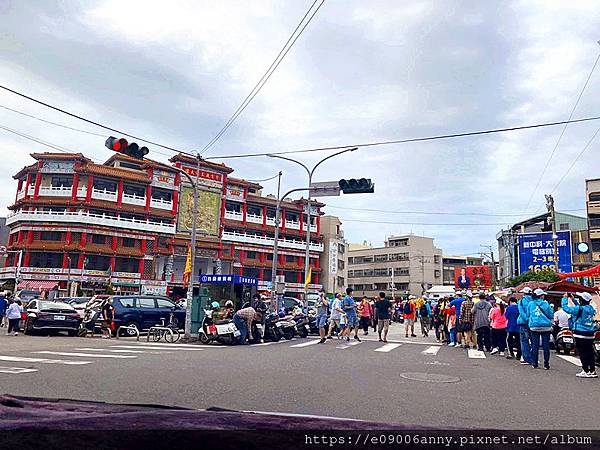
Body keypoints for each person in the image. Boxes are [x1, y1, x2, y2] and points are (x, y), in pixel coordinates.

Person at [561, 292, 597, 378]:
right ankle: (592, 370)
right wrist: (573, 300)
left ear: (582, 300)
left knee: (582, 352)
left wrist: (565, 299)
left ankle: (585, 370)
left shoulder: (579, 309)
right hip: (590, 333)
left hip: (580, 333)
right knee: (590, 352)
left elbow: (567, 309)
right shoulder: (591, 308)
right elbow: (579, 308)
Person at [527, 288, 553, 370]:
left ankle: (534, 363)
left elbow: (528, 314)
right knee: (546, 346)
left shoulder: (531, 304)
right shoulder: (546, 303)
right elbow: (551, 314)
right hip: (546, 327)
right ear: (541, 296)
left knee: (535, 345)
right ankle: (546, 364)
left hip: (534, 326)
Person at [517, 287, 534, 365]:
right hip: (533, 323)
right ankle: (534, 358)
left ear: (524, 293)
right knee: (534, 341)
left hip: (524, 323)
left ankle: (526, 358)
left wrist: (526, 319)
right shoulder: (534, 301)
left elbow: (521, 312)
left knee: (524, 341)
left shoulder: (521, 302)